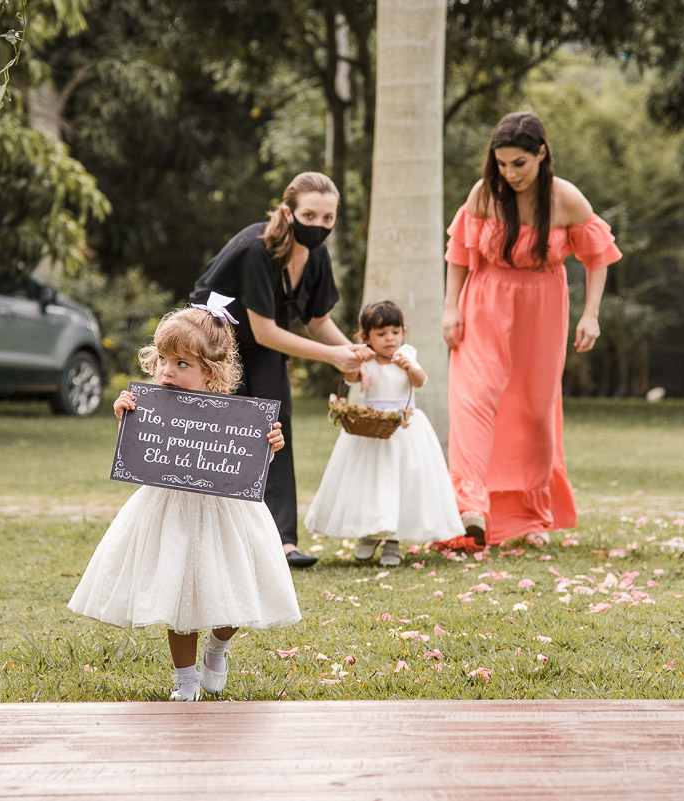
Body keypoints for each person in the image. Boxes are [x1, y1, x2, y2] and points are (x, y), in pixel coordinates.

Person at [67, 307, 301, 701]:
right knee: (179, 596)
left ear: (210, 371)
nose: (166, 371)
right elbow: (141, 451)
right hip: (170, 509)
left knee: (236, 594)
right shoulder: (153, 405)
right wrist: (125, 416)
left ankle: (218, 645)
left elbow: (242, 462)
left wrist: (269, 446)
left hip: (225, 512)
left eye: (181, 363)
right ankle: (186, 678)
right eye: (162, 359)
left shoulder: (235, 416)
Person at [442, 111, 622, 550]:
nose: (509, 173)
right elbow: (460, 253)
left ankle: (530, 517)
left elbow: (598, 257)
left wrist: (591, 314)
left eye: (518, 163)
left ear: (542, 153)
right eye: (502, 164)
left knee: (533, 413)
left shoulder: (566, 200)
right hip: (483, 306)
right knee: (475, 402)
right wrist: (451, 307)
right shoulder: (485, 195)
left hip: (541, 309)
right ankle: (470, 507)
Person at [190, 172, 371, 568]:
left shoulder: (317, 255)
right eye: (310, 215)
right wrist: (333, 358)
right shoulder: (258, 249)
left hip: (260, 343)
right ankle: (228, 539)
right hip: (216, 339)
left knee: (275, 423)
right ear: (288, 212)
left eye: (328, 218)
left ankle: (282, 542)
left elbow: (316, 320)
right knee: (233, 427)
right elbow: (266, 331)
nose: (319, 226)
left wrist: (355, 352)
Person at [305, 299, 463, 566]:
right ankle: (370, 533)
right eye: (381, 334)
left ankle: (393, 541)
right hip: (371, 432)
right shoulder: (366, 359)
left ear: (403, 332)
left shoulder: (407, 354)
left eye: (395, 332)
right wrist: (356, 361)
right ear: (366, 337)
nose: (390, 339)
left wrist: (408, 367)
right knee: (372, 484)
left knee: (399, 484)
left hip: (403, 429)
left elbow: (419, 381)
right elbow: (351, 378)